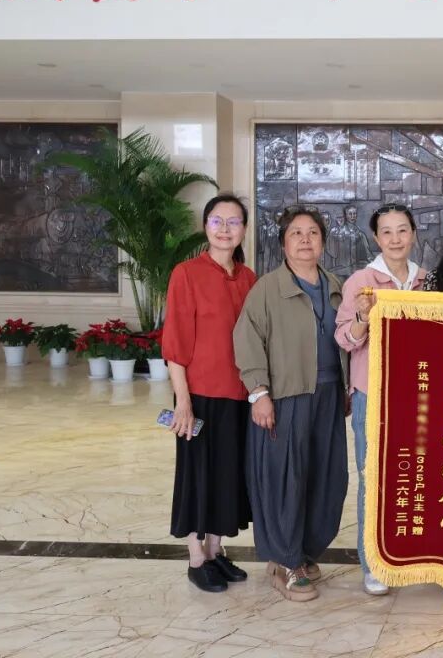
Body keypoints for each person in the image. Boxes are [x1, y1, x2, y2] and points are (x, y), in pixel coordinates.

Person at [233, 206, 351, 602]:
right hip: (285, 397)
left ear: (323, 241)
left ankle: (302, 549)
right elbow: (247, 339)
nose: (305, 240)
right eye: (296, 233)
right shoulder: (267, 288)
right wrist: (259, 393)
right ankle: (285, 561)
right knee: (286, 478)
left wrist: (348, 387)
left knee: (326, 477)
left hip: (329, 396)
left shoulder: (336, 286)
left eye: (312, 232)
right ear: (283, 243)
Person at [162, 193, 257, 593]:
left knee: (227, 475)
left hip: (238, 395)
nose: (224, 229)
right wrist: (183, 402)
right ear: (205, 226)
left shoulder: (249, 279)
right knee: (196, 475)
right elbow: (175, 344)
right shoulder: (186, 274)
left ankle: (216, 551)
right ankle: (196, 557)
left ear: (244, 230)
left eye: (233, 222)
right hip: (198, 395)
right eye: (217, 221)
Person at [334, 203, 426, 596]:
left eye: (402, 230)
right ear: (376, 237)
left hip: (418, 397)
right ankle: (373, 563)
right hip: (372, 395)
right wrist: (362, 317)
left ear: (413, 234)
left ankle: (410, 555)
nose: (395, 239)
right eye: (386, 232)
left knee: (415, 477)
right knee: (373, 479)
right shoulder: (362, 281)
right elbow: (343, 339)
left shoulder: (426, 281)